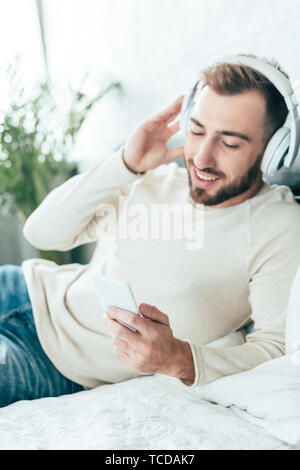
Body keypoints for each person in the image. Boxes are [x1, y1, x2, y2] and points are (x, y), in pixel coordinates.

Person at [1, 53, 300, 408]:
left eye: (230, 143)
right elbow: (42, 233)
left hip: (51, 360)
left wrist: (181, 359)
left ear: (272, 151)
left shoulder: (278, 225)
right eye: (197, 130)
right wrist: (124, 163)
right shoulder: (153, 180)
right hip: (22, 288)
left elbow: (276, 349)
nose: (202, 158)